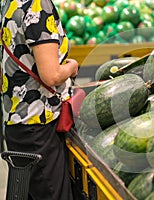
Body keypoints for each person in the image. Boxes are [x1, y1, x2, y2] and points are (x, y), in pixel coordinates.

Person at [0, 0, 79, 198]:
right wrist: (72, 67)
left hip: (18, 123)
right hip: (39, 126)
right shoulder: (38, 6)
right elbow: (51, 75)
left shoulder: (10, 3)